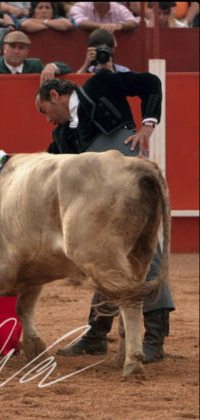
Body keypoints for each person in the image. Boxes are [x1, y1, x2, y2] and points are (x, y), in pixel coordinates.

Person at [35, 72, 175, 363]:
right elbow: (46, 164)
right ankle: (97, 334)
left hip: (130, 184)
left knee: (145, 252)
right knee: (103, 256)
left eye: (44, 111)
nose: (47, 119)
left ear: (55, 96)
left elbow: (151, 83)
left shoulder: (100, 85)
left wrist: (147, 126)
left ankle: (154, 338)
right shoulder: (61, 136)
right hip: (99, 198)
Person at [69, 1, 138, 33]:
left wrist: (119, 25)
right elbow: (76, 21)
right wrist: (104, 26)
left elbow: (133, 21)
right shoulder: (80, 6)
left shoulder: (119, 8)